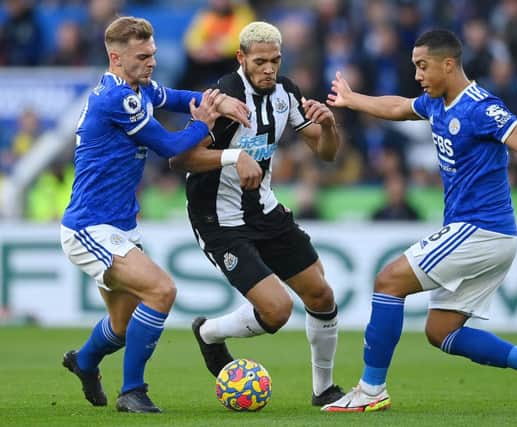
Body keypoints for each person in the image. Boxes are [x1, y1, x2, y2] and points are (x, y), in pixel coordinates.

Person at [321, 29, 517, 413]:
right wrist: (353, 100)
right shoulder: (437, 103)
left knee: (388, 281)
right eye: (414, 66)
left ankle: (371, 389)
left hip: (481, 229)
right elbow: (398, 107)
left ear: (449, 64)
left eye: (422, 66)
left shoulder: (480, 107)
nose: (418, 75)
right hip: (486, 234)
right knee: (440, 331)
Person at [59, 16, 250, 413]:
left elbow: (177, 97)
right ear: (116, 57)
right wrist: (204, 124)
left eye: (154, 54)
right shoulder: (117, 98)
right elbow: (168, 146)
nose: (152, 62)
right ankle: (133, 392)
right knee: (162, 291)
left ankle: (85, 361)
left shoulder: (138, 87)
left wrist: (217, 98)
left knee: (123, 326)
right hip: (89, 227)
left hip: (120, 225)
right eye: (143, 56)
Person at [169, 21, 345, 407]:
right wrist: (234, 156)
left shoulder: (286, 92)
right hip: (218, 219)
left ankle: (324, 390)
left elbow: (327, 153)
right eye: (261, 61)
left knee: (321, 293)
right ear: (241, 58)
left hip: (265, 209)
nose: (269, 69)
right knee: (277, 310)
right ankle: (209, 333)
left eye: (275, 61)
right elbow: (180, 157)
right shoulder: (223, 97)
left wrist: (330, 128)